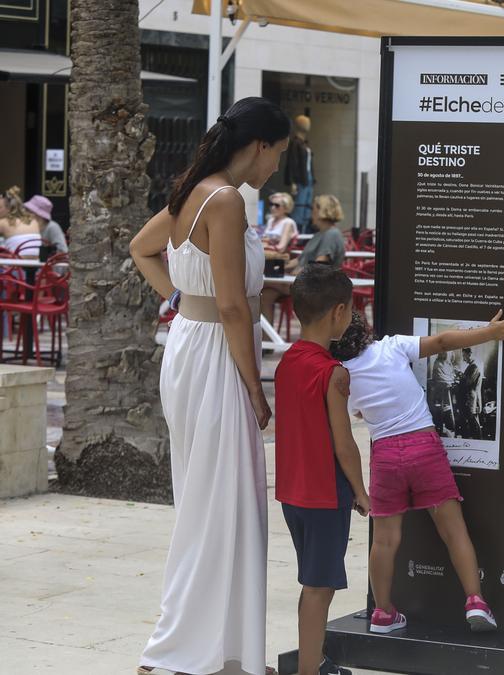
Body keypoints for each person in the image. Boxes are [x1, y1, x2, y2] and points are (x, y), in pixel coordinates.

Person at [129, 97, 290, 675]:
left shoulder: (194, 190)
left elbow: (142, 249)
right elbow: (232, 306)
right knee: (222, 505)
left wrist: (176, 301)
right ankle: (178, 650)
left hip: (189, 347)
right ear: (260, 146)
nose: (276, 168)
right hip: (216, 356)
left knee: (212, 502)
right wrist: (255, 385)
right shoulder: (223, 201)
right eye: (278, 154)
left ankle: (222, 650)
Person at [329, 309, 504, 635]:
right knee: (454, 531)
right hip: (424, 447)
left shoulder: (341, 374)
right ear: (366, 330)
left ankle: (383, 613)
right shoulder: (390, 347)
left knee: (385, 541)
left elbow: (358, 412)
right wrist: (491, 332)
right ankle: (476, 601)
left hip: (386, 456)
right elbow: (443, 341)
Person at [274, 265, 366, 675]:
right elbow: (344, 444)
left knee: (313, 583)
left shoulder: (286, 362)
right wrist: (361, 491)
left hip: (292, 493)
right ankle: (308, 670)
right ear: (339, 311)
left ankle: (314, 661)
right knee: (319, 587)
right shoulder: (334, 373)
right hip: (325, 493)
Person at [260, 193, 346, 324]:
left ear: (321, 210)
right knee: (266, 295)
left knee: (259, 283)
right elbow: (299, 260)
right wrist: (280, 267)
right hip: (304, 280)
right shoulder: (321, 234)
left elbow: (320, 265)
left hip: (315, 285)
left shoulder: (331, 234)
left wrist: (296, 271)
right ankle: (268, 340)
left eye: (313, 209)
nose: (311, 213)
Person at [285, 114, 316, 232]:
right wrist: (293, 181)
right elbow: (292, 163)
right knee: (299, 205)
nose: (308, 125)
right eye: (305, 122)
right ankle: (296, 232)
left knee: (307, 206)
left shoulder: (305, 143)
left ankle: (304, 232)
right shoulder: (295, 143)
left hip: (308, 178)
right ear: (299, 125)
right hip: (301, 179)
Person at [0, 186, 43, 257]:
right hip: (36, 264)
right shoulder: (33, 220)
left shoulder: (3, 223)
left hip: (16, 265)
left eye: (0, 207)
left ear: (9, 209)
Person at [454, 348, 483, 439]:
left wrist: (459, 374)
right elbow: (467, 380)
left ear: (469, 354)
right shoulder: (472, 366)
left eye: (464, 356)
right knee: (470, 421)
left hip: (470, 398)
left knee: (473, 421)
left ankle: (479, 441)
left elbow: (467, 383)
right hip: (469, 398)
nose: (463, 359)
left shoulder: (474, 367)